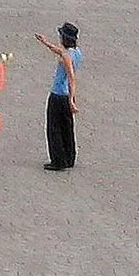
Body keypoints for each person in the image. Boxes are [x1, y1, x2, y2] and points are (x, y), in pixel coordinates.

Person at [38, 22, 81, 171]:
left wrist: (71, 100)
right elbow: (58, 50)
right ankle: (69, 157)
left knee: (54, 128)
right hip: (66, 95)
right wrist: (45, 42)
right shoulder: (76, 53)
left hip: (58, 95)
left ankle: (58, 160)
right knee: (67, 126)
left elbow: (71, 78)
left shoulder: (66, 56)